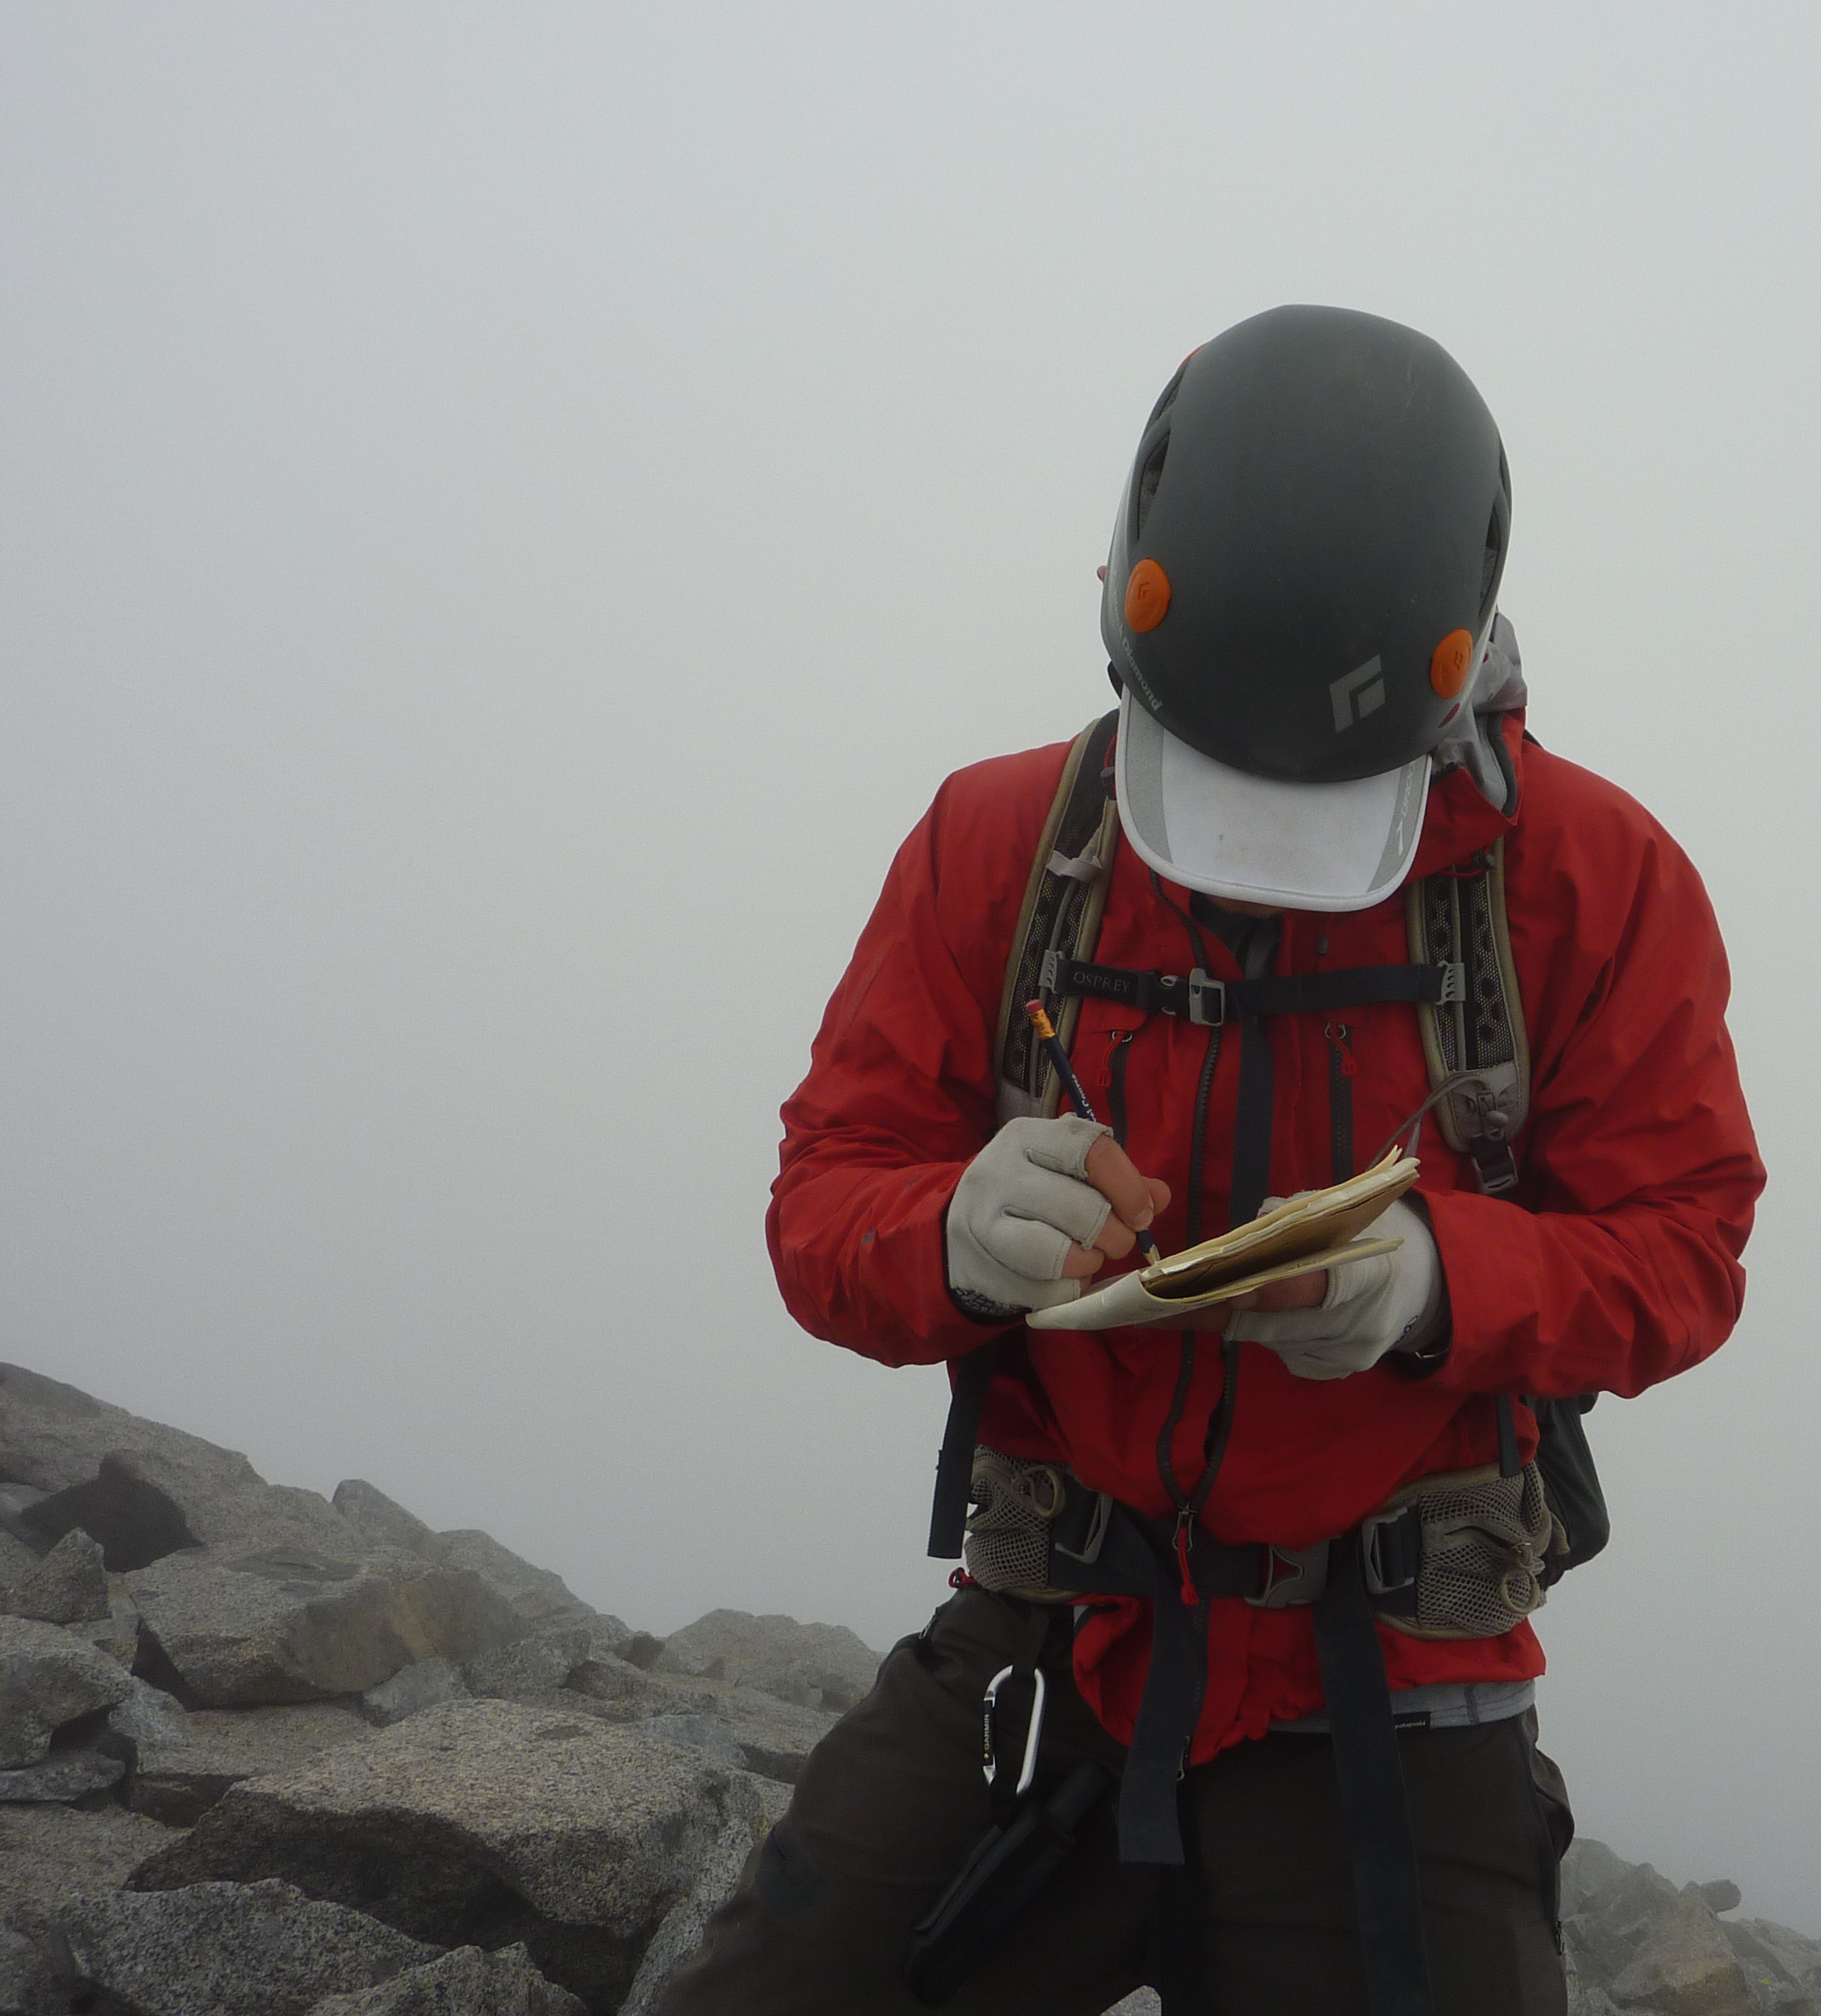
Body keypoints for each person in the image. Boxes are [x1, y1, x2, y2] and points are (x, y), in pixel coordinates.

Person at [661, 304, 1764, 2016]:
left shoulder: (1590, 881)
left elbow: (1686, 1248)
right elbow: (828, 1197)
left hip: (1400, 1677)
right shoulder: (999, 842)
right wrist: (944, 1234)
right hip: (1050, 1632)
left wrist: (1436, 1282)